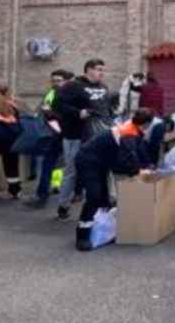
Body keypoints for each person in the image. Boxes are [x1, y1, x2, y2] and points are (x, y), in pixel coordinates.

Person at [73, 108, 152, 251]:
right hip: (88, 160)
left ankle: (102, 229)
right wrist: (138, 170)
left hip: (101, 161)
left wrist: (146, 166)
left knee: (103, 198)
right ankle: (82, 237)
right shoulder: (128, 132)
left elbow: (139, 152)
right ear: (146, 124)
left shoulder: (133, 129)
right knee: (94, 196)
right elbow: (127, 159)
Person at [52, 59, 112, 222]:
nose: (102, 73)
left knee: (99, 170)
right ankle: (63, 206)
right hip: (75, 135)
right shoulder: (73, 86)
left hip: (98, 137)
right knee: (72, 171)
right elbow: (56, 105)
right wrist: (78, 112)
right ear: (88, 70)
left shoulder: (103, 87)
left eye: (103, 70)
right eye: (99, 69)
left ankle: (97, 205)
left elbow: (106, 108)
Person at [28, 70, 72, 209]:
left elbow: (62, 114)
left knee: (69, 165)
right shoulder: (52, 93)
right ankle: (43, 194)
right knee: (50, 163)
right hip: (56, 134)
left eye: (58, 80)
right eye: (53, 81)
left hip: (66, 134)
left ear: (66, 81)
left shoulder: (70, 95)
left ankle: (67, 195)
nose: (55, 83)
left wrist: (49, 113)